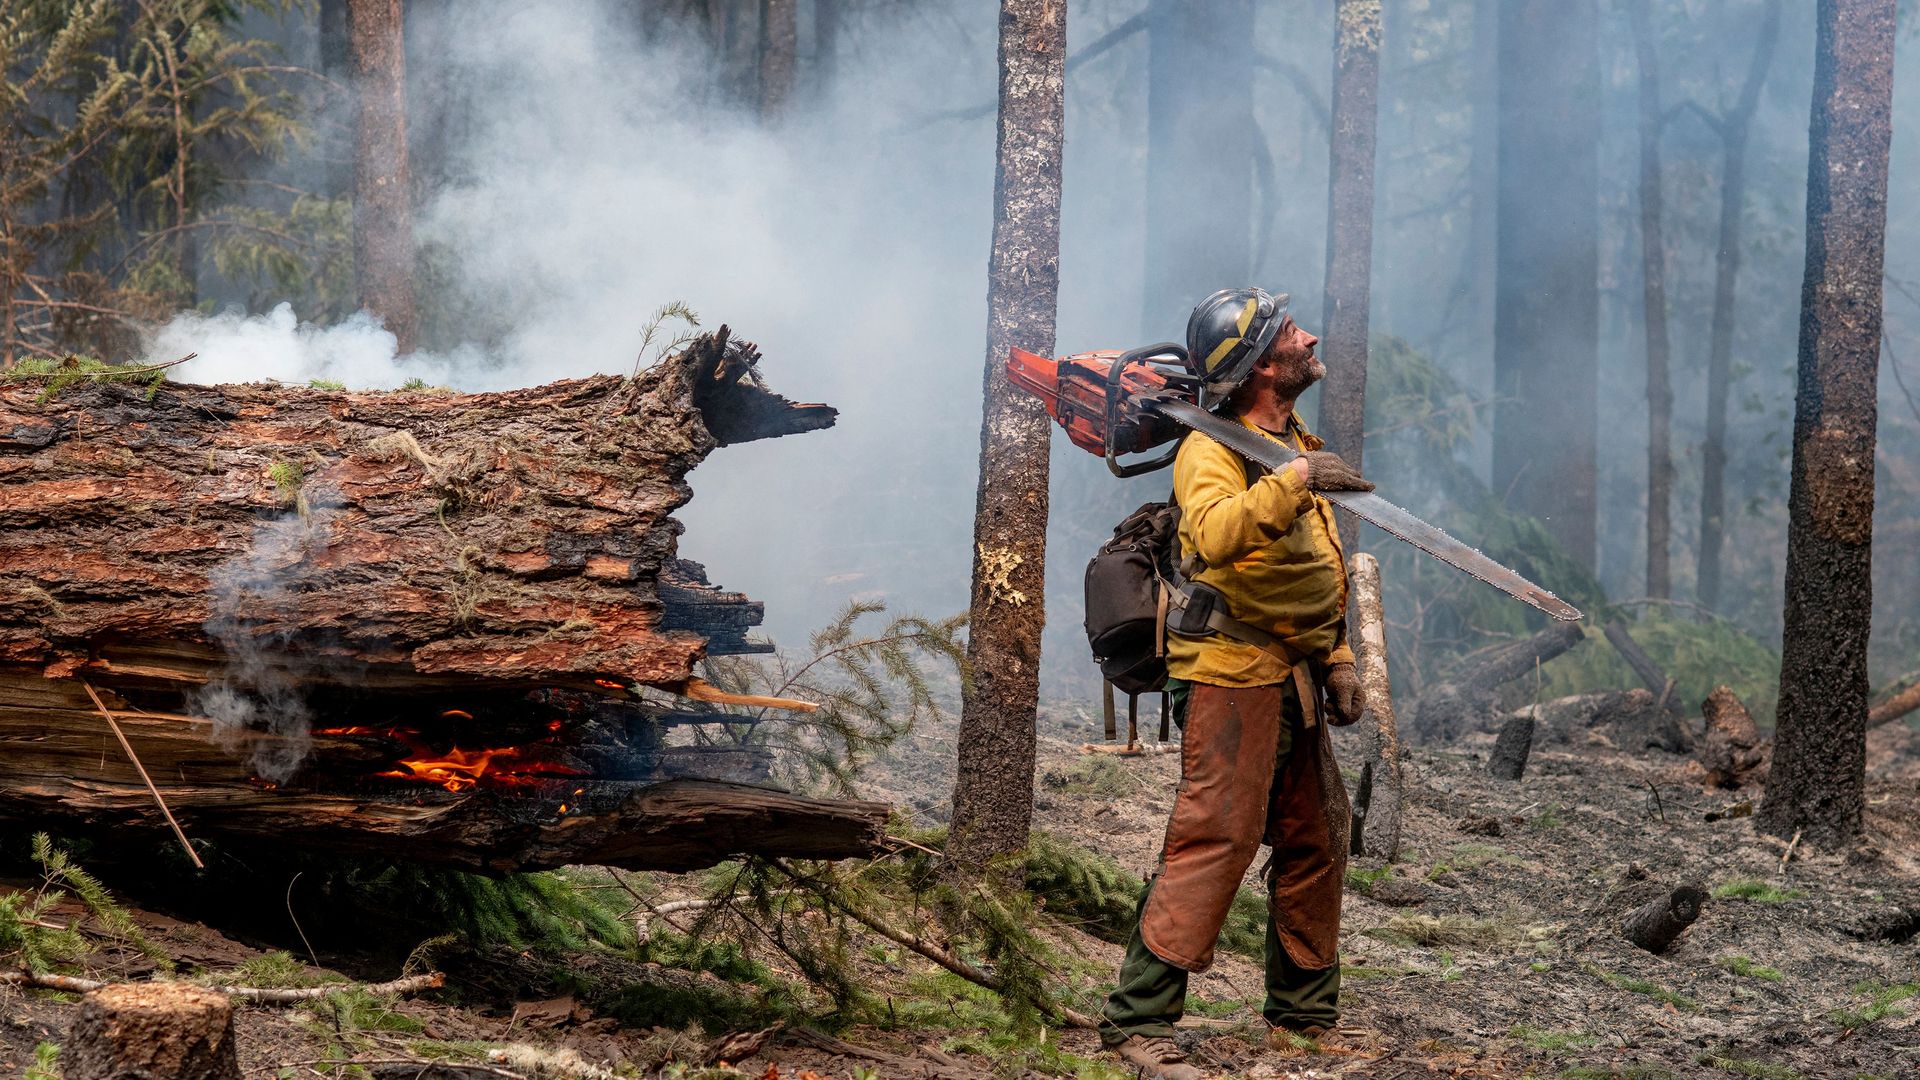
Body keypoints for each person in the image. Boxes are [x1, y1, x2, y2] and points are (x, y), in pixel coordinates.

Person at [1103, 287, 1371, 1079]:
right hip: (1229, 672)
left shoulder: (1289, 437)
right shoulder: (1212, 449)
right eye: (1291, 332)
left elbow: (1307, 572)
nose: (1309, 335)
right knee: (1214, 838)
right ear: (1260, 366)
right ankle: (1138, 1022)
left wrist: (1338, 657)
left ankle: (1301, 1016)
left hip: (1291, 673)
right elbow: (1216, 537)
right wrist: (1295, 481)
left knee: (1318, 836)